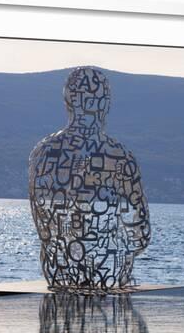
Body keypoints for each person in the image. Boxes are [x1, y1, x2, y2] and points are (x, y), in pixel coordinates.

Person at [29, 66, 151, 292]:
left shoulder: (41, 154)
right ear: (105, 105)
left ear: (67, 102)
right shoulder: (120, 157)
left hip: (59, 272)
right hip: (109, 275)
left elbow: (42, 228)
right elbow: (140, 237)